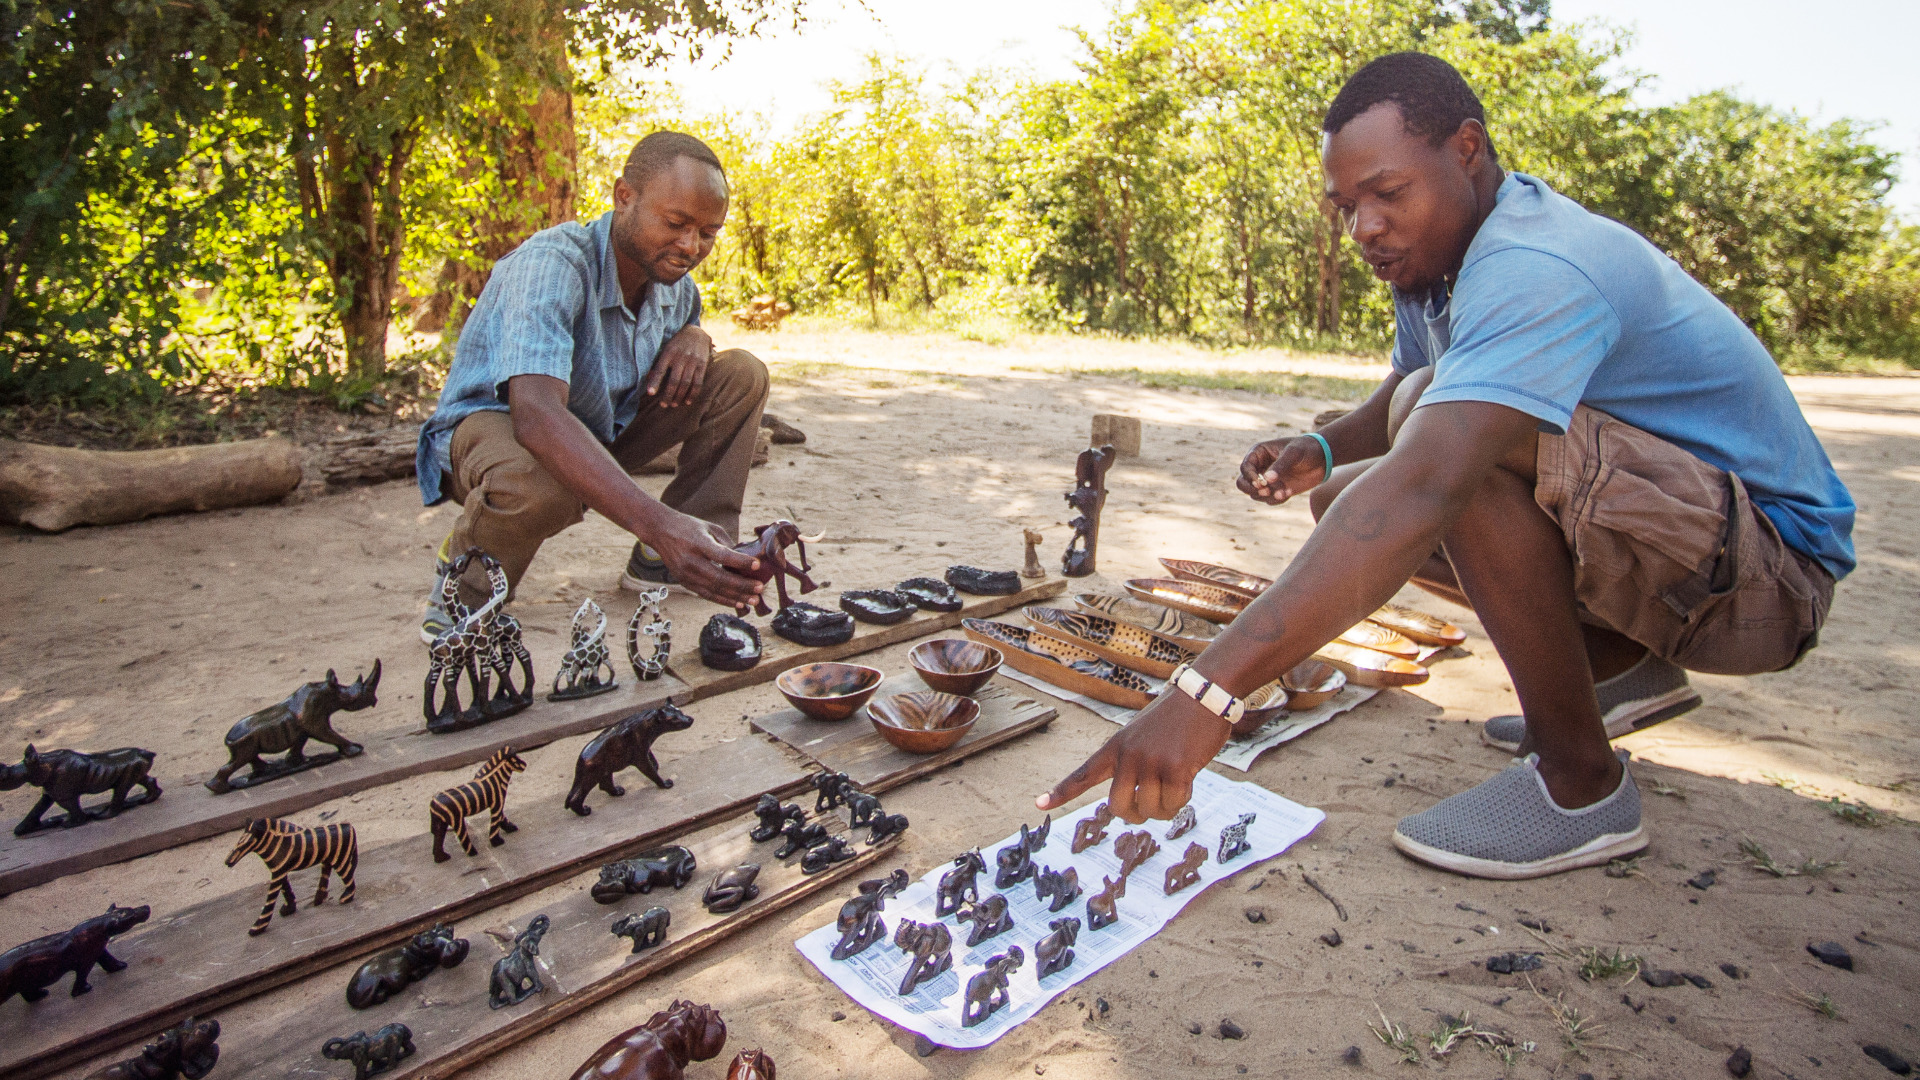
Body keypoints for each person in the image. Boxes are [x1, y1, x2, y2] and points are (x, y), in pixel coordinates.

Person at [1039, 52, 1853, 880]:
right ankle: (1621, 668)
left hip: (1768, 581)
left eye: (1387, 194)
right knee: (1372, 467)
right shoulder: (1439, 259)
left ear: (1467, 150)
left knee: (1453, 454)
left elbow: (1430, 480)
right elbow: (1403, 394)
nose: (1364, 229)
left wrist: (1203, 694)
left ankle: (1583, 786)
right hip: (1687, 552)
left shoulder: (1537, 265)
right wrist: (1320, 450)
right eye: (1346, 206)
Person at [414, 131, 768, 636]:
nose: (691, 246)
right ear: (624, 197)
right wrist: (656, 522)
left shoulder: (676, 289)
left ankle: (666, 558)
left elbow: (688, 347)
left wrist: (696, 333)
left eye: (708, 233)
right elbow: (536, 417)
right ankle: (466, 585)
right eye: (675, 223)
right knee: (539, 479)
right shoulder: (551, 266)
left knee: (742, 374)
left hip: (597, 432)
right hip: (496, 440)